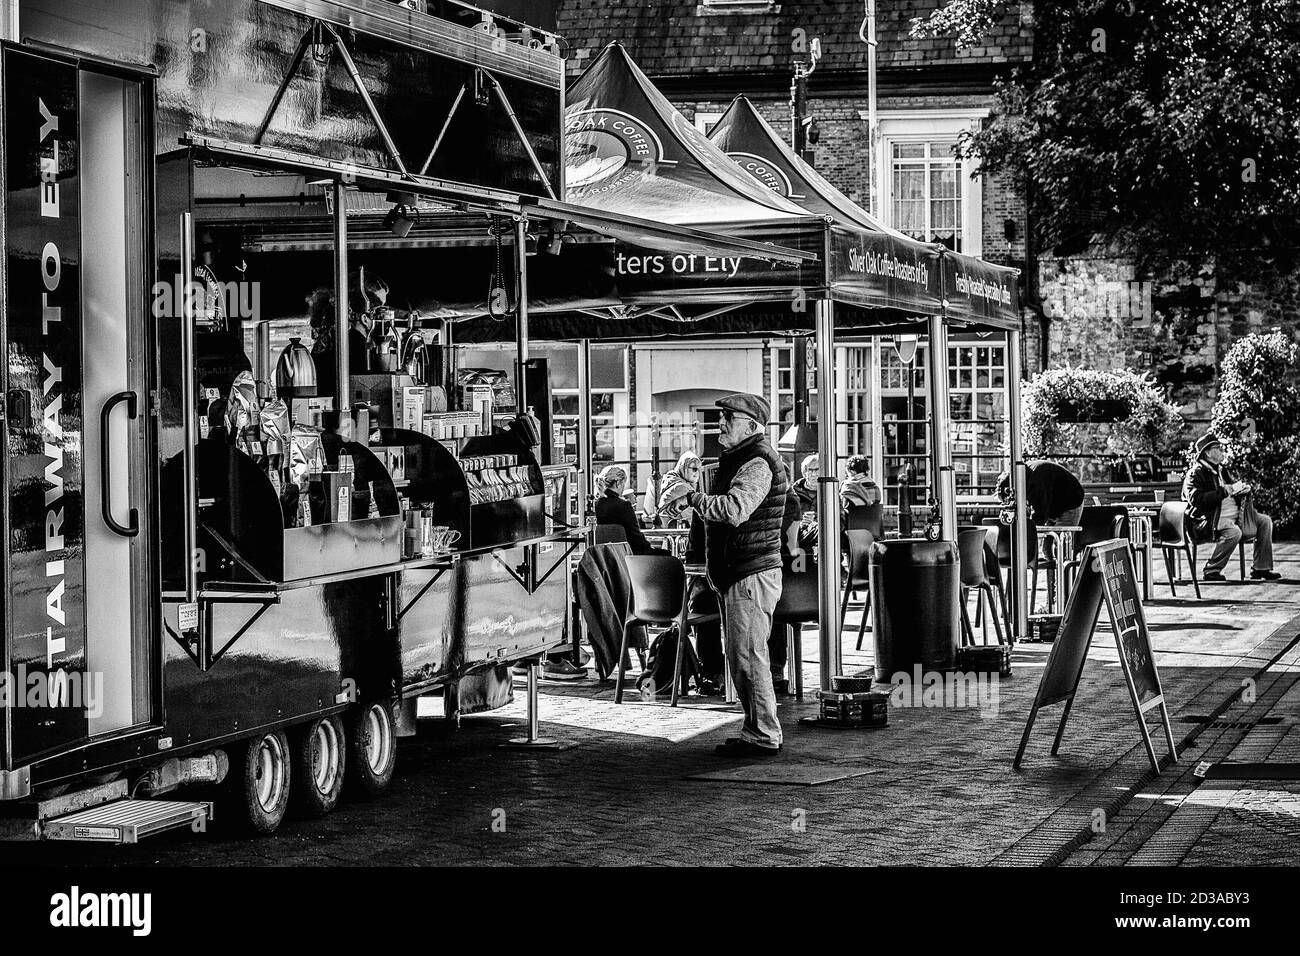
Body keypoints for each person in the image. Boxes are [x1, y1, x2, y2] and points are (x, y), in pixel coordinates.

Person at [682, 393, 789, 757]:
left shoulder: (757, 461)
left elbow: (735, 509)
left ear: (751, 426)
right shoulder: (743, 457)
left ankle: (763, 735)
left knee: (748, 656)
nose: (721, 423)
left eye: (729, 417)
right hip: (742, 571)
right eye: (722, 416)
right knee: (742, 657)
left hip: (751, 572)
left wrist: (693, 498)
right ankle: (756, 730)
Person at [1182, 432, 1280, 581]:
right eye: (1218, 448)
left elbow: (1232, 489)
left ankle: (1261, 568)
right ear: (1207, 453)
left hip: (1235, 515)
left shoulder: (1222, 470)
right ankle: (1212, 570)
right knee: (1234, 532)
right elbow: (1196, 500)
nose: (1222, 451)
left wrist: (1242, 490)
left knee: (1265, 521)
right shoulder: (1195, 474)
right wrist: (1222, 491)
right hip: (1210, 520)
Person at [995, 459, 1085, 525]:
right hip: (1057, 504)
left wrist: (1032, 527)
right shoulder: (1026, 474)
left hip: (1071, 503)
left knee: (1060, 543)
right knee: (1048, 546)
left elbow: (1040, 509)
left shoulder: (1035, 481)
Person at [594, 464, 657, 555]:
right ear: (618, 483)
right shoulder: (624, 506)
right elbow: (636, 538)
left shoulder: (595, 505)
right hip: (627, 556)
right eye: (624, 484)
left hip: (601, 556)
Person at [656, 452, 702, 526]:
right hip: (677, 532)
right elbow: (693, 518)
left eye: (699, 469)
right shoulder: (683, 487)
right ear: (682, 468)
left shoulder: (674, 481)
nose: (697, 472)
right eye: (694, 469)